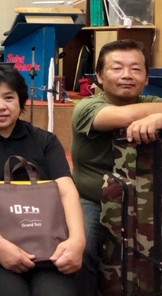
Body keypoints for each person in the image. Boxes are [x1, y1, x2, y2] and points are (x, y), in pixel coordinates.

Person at [0, 63, 85, 296]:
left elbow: (67, 192)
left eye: (9, 97)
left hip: (50, 243)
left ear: (21, 101)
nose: (1, 106)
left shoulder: (45, 141)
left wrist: (77, 241)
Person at [71, 39, 162, 296]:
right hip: (93, 200)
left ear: (146, 78)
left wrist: (158, 118)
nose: (127, 75)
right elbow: (123, 117)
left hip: (147, 202)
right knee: (83, 248)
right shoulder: (87, 107)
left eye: (136, 69)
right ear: (99, 76)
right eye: (117, 68)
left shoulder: (152, 102)